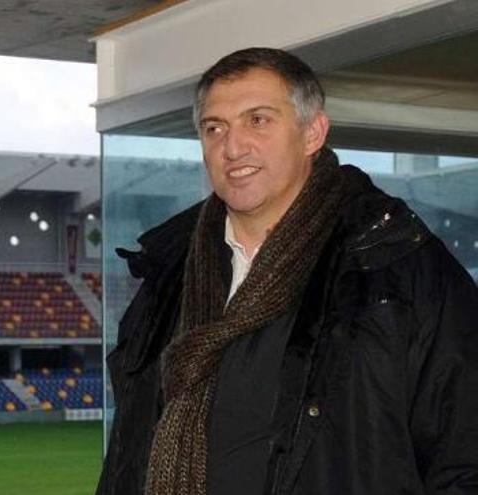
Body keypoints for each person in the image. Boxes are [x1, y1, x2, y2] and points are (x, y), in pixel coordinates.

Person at [96, 47, 478, 495]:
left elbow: (463, 458)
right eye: (214, 128)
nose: (232, 147)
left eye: (258, 120)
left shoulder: (397, 267)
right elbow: (129, 449)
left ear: (313, 132)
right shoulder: (168, 274)